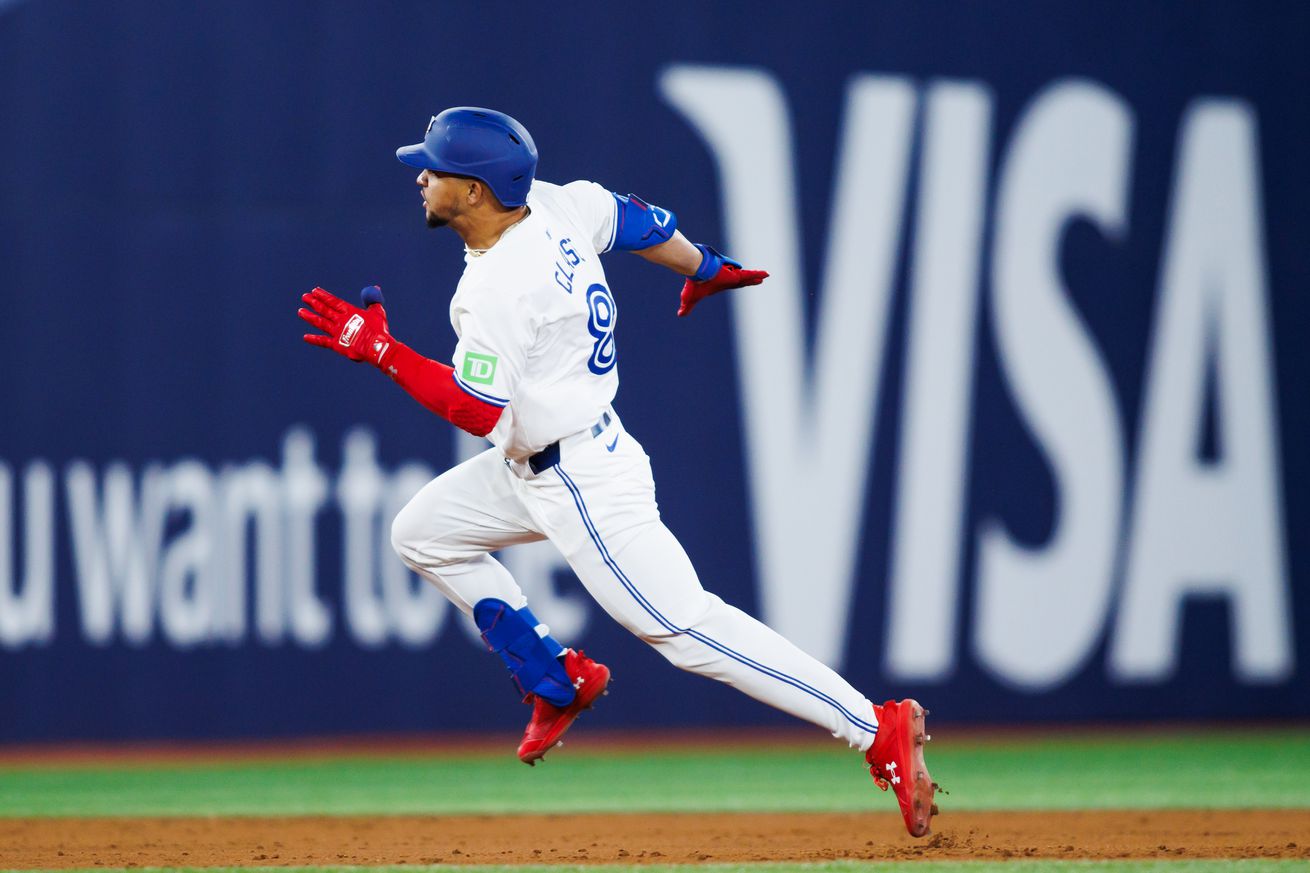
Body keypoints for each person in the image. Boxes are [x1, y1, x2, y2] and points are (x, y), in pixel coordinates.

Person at [298, 107, 938, 837]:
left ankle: (872, 725)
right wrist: (704, 266)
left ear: (474, 193)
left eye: (436, 169)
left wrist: (379, 350)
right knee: (420, 532)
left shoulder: (500, 285)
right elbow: (636, 221)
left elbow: (475, 409)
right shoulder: (557, 203)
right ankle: (554, 675)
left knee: (686, 626)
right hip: (541, 459)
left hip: (580, 481)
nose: (421, 177)